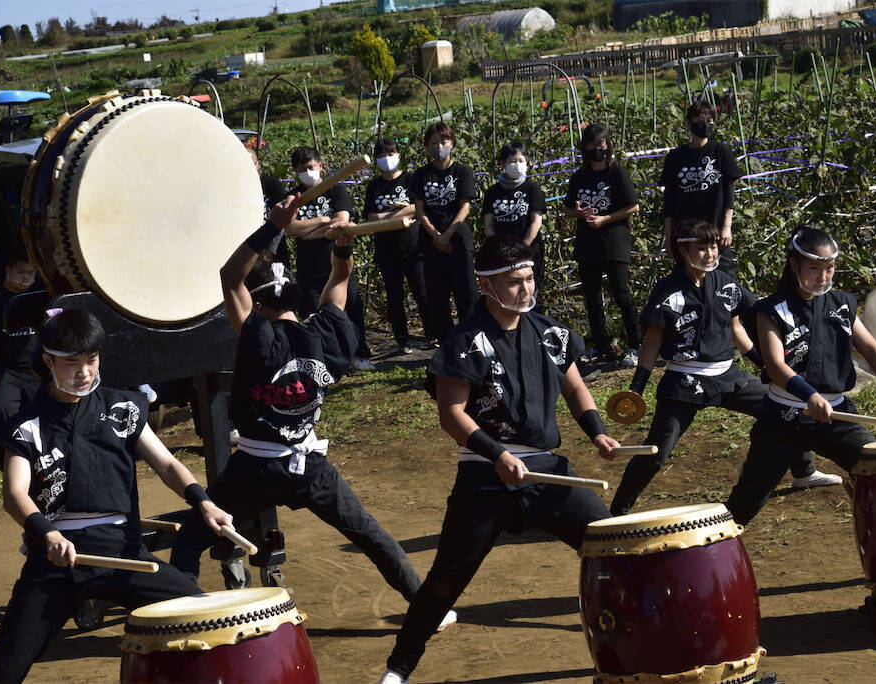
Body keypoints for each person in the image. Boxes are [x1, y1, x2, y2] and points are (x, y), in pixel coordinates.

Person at [169, 197, 454, 633]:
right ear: (298, 300)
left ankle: (183, 620)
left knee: (191, 537)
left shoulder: (256, 334)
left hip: (255, 468)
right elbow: (340, 279)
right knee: (369, 534)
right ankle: (425, 608)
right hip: (310, 467)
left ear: (257, 303)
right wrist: (341, 248)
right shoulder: (323, 332)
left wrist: (274, 227)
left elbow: (229, 277)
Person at [378, 236, 618, 684]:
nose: (526, 289)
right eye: (514, 282)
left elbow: (575, 387)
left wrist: (598, 433)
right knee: (446, 580)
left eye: (529, 279)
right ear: (486, 286)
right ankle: (398, 670)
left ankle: (633, 652)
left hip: (548, 473)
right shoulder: (464, 342)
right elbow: (451, 413)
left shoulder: (551, 334)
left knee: (613, 551)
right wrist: (497, 453)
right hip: (485, 475)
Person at [0, 308, 232, 683]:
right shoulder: (26, 427)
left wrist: (203, 502)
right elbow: (15, 494)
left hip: (122, 550)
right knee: (3, 670)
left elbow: (166, 464)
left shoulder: (123, 407)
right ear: (48, 361)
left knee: (204, 617)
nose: (84, 371)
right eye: (71, 362)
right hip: (56, 558)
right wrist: (47, 534)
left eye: (91, 359)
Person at [609, 220, 841, 516]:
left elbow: (736, 330)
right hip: (684, 380)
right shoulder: (668, 291)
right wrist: (636, 387)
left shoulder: (726, 283)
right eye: (702, 247)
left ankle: (803, 471)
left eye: (714, 246)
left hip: (728, 375)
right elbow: (652, 343)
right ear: (683, 250)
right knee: (657, 451)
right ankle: (616, 513)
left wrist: (766, 366)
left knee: (786, 407)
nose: (709, 253)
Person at [723, 227, 876, 525]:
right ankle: (709, 553)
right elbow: (774, 365)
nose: (823, 276)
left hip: (838, 416)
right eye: (814, 268)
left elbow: (871, 347)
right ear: (794, 265)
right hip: (782, 418)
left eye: (829, 268)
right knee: (745, 501)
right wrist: (810, 396)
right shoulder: (770, 310)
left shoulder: (842, 304)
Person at [286, 145, 374, 370]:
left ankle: (358, 355)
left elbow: (341, 220)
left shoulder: (335, 190)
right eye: (301, 169)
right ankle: (323, 360)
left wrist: (309, 229)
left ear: (320, 166)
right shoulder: (295, 197)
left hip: (337, 261)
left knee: (351, 309)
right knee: (314, 316)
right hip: (309, 267)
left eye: (311, 167)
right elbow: (290, 227)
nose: (307, 172)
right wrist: (323, 222)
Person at [563, 124, 641, 367]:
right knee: (592, 297)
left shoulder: (617, 173)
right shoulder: (579, 177)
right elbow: (567, 208)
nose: (597, 150)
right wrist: (577, 213)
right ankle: (600, 345)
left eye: (601, 145)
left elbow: (633, 206)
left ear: (608, 147)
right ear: (584, 149)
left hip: (614, 241)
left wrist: (605, 219)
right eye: (592, 146)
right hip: (588, 244)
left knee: (621, 293)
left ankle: (635, 345)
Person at [409, 123, 478, 345]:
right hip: (431, 241)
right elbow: (419, 209)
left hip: (458, 238)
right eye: (434, 143)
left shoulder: (462, 172)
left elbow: (465, 207)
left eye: (444, 142)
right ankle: (448, 342)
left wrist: (447, 235)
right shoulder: (421, 175)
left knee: (466, 293)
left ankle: (471, 340)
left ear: (453, 143)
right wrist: (435, 235)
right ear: (426, 146)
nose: (439, 147)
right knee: (437, 296)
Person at [660, 100, 743, 274]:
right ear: (689, 123)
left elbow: (729, 193)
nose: (704, 124)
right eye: (699, 119)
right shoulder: (675, 157)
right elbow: (669, 201)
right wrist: (668, 237)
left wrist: (727, 227)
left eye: (709, 120)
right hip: (687, 235)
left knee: (724, 280)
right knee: (687, 278)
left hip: (716, 235)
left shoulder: (721, 152)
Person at [364, 137, 429, 356]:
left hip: (413, 246)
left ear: (399, 156)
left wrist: (387, 216)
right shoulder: (374, 186)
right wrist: (400, 213)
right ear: (376, 160)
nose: (387, 159)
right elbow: (371, 216)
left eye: (390, 154)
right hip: (386, 249)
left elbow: (416, 208)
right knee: (394, 297)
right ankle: (403, 340)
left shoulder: (411, 180)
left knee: (422, 292)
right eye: (381, 156)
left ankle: (431, 335)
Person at [0, 254, 42, 466]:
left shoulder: (39, 298)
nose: (26, 278)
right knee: (3, 409)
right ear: (8, 271)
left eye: (31, 273)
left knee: (46, 409)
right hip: (7, 371)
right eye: (21, 272)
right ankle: (14, 461)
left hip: (37, 368)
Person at [482, 141, 548, 312]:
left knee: (532, 294)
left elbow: (536, 221)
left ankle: (535, 332)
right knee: (508, 294)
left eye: (521, 160)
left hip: (530, 252)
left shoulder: (532, 189)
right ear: (503, 164)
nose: (517, 165)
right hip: (504, 256)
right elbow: (489, 225)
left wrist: (523, 249)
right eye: (512, 161)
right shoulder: (492, 193)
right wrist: (499, 249)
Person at [246, 143, 290, 264]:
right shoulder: (234, 187)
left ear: (258, 165)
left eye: (251, 164)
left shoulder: (272, 185)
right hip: (246, 251)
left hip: (272, 251)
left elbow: (282, 219)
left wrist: (270, 250)